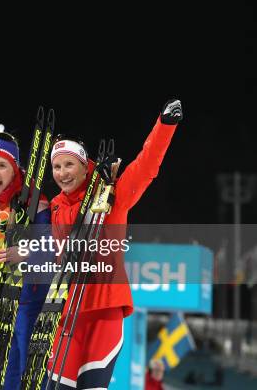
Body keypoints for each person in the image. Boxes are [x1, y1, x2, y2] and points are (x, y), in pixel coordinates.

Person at [45, 100, 183, 389]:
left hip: (104, 310)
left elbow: (145, 169)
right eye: (56, 166)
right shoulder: (55, 207)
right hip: (66, 311)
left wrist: (165, 126)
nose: (62, 172)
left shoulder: (111, 198)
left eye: (69, 164)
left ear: (85, 167)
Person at [0, 131, 51, 389]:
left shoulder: (34, 201)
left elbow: (50, 247)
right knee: (7, 358)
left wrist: (24, 251)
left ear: (14, 169)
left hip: (30, 290)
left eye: (2, 165)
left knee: (30, 358)